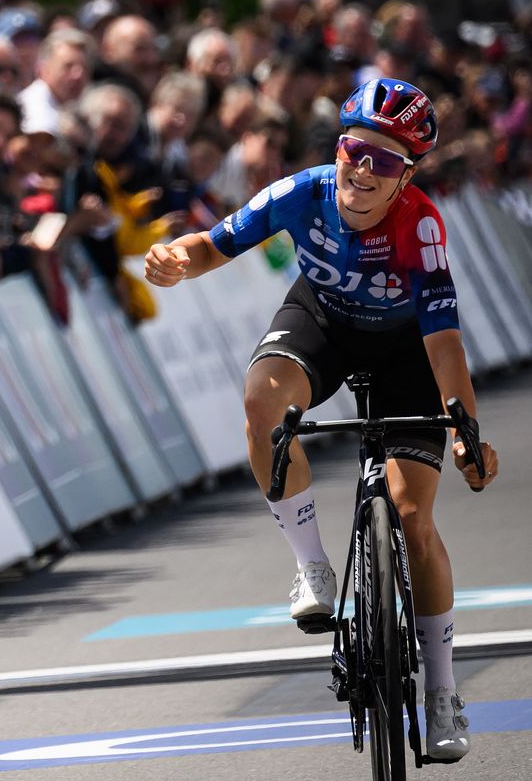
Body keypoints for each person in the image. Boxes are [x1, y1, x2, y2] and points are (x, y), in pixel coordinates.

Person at [143, 79, 499, 761]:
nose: (363, 171)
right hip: (325, 323)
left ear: (407, 177)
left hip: (405, 352)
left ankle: (443, 689)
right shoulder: (302, 192)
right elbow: (214, 243)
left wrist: (466, 430)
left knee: (413, 517)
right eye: (355, 151)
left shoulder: (421, 226)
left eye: (385, 162)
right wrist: (176, 261)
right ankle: (311, 566)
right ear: (339, 147)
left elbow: (444, 342)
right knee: (259, 402)